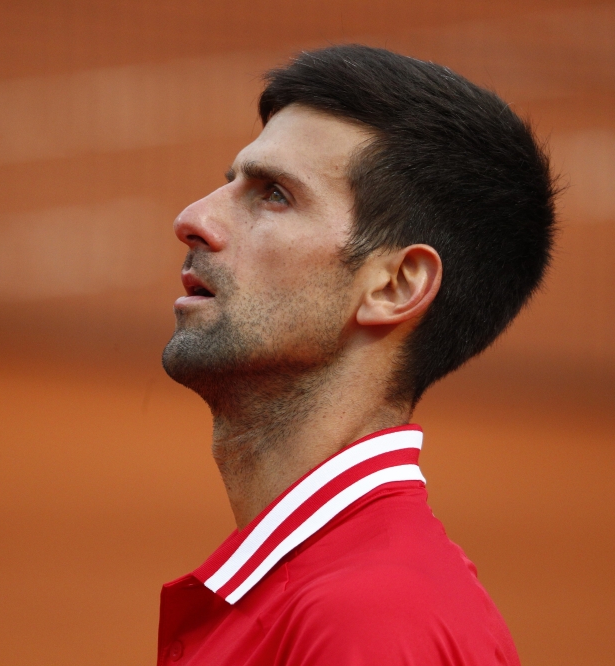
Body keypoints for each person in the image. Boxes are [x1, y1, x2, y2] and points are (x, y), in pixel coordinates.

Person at [158, 44, 555, 666]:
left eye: (275, 194)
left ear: (395, 286)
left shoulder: (368, 623)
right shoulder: (321, 589)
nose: (194, 219)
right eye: (232, 181)